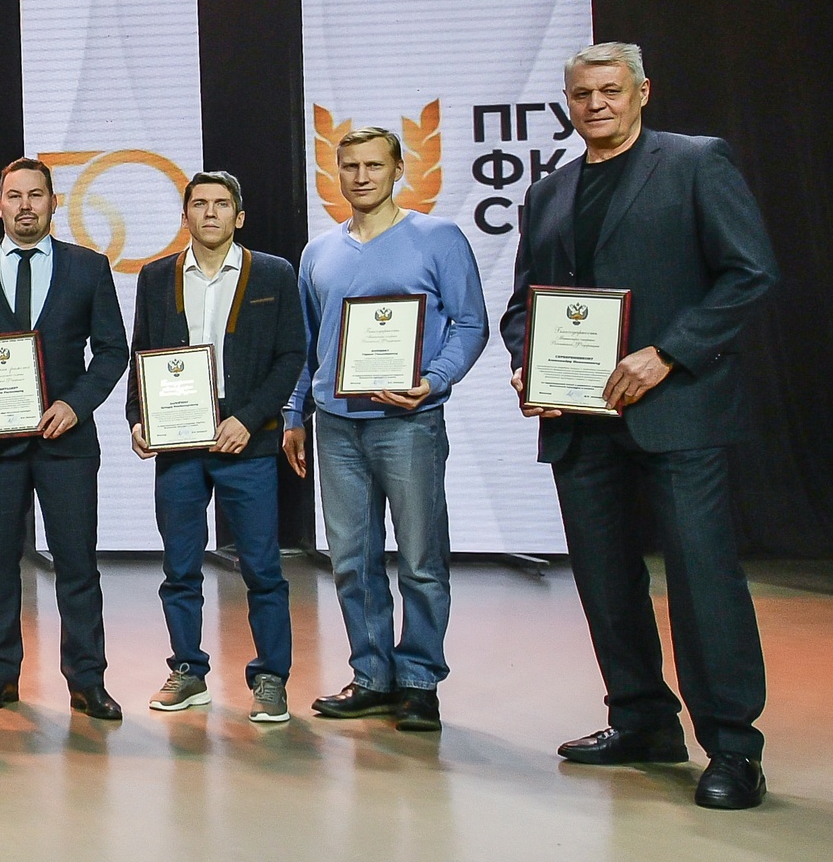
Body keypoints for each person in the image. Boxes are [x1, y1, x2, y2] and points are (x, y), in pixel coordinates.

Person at [504, 42, 780, 811]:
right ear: (567, 101)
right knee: (604, 577)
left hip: (677, 409)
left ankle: (734, 746)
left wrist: (668, 353)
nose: (596, 103)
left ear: (642, 91)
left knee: (702, 579)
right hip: (580, 419)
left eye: (611, 89)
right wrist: (528, 364)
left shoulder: (695, 163)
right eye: (582, 93)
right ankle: (642, 719)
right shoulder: (548, 192)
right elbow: (525, 302)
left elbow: (751, 271)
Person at [283, 126, 487, 732]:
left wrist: (435, 379)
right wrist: (295, 413)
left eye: (375, 165)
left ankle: (419, 681)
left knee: (421, 558)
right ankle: (372, 676)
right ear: (336, 174)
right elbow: (308, 345)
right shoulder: (318, 253)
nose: (362, 176)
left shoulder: (438, 238)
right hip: (336, 426)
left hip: (409, 422)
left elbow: (470, 323)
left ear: (399, 169)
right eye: (350, 166)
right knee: (352, 559)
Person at [0, 158, 129, 721]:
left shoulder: (88, 267)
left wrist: (76, 404)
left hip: (66, 444)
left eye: (36, 195)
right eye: (14, 195)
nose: (25, 205)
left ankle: (87, 680)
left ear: (53, 202)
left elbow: (112, 350)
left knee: (77, 565)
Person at [125, 172, 307, 724]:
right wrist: (138, 418)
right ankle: (187, 669)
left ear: (239, 216)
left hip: (246, 441)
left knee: (262, 567)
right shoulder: (157, 276)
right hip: (179, 441)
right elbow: (142, 352)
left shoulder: (273, 272)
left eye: (222, 204)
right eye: (199, 204)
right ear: (184, 216)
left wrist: (249, 419)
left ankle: (271, 677)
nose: (210, 212)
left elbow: (291, 355)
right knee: (180, 566)